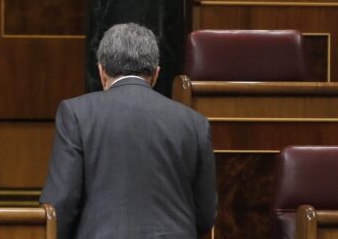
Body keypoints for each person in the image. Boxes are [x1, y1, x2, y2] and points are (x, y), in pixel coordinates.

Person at [40, 22, 217, 239]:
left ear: (101, 71)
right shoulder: (195, 123)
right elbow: (206, 215)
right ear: (156, 74)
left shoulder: (76, 114)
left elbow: (61, 205)